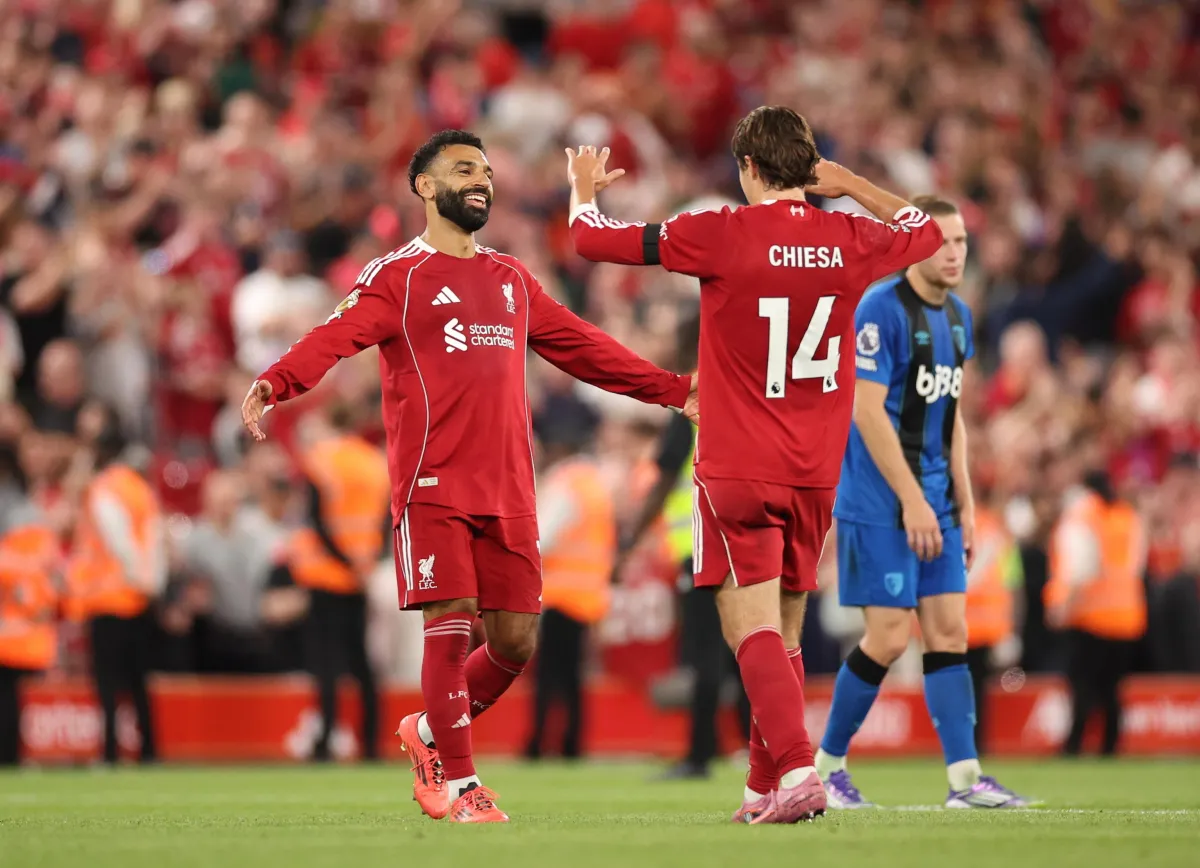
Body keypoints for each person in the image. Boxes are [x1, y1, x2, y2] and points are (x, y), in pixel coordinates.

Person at [241, 129, 698, 823]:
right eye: (463, 170)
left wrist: (671, 388)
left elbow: (583, 347)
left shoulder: (511, 278)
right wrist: (277, 380)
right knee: (450, 619)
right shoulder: (398, 276)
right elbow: (334, 336)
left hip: (509, 486)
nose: (480, 180)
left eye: (485, 171)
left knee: (514, 642)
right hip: (434, 482)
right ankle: (460, 784)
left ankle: (428, 731)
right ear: (425, 187)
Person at [566, 105, 944, 824]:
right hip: (815, 470)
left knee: (749, 630)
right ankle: (759, 789)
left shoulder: (720, 231)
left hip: (739, 462)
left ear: (748, 167)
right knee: (786, 633)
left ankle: (798, 772)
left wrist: (584, 188)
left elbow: (591, 239)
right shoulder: (849, 237)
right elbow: (923, 231)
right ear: (808, 166)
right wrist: (850, 184)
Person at [814, 196, 1030, 808]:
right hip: (880, 499)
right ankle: (825, 768)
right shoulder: (879, 309)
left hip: (935, 500)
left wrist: (964, 503)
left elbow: (950, 416)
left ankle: (965, 780)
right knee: (887, 638)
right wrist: (912, 501)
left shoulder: (958, 316)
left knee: (950, 632)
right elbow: (866, 411)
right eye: (942, 241)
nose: (954, 253)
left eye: (961, 242)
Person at [617, 315, 751, 780]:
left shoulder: (694, 399)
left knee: (705, 653)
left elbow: (664, 480)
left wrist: (628, 544)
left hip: (699, 544)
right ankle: (759, 748)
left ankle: (699, 755)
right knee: (746, 645)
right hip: (742, 539)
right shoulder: (743, 393)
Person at [288, 404, 391, 761]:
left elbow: (317, 520)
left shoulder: (320, 461)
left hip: (327, 576)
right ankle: (372, 742)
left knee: (326, 665)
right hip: (361, 576)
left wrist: (345, 562)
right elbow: (387, 519)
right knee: (362, 663)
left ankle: (326, 740)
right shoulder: (375, 463)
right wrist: (366, 564)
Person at [65, 420, 164, 764]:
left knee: (107, 683)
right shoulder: (141, 489)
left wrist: (134, 576)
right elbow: (153, 539)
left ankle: (109, 752)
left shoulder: (105, 487)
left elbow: (117, 540)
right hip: (140, 599)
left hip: (108, 598)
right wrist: (151, 584)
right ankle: (149, 750)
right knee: (139, 681)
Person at [523, 430, 615, 761]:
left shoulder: (564, 484)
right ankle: (572, 743)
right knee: (573, 675)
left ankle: (538, 743)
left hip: (560, 594)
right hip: (588, 594)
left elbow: (542, 537)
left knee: (547, 676)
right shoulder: (595, 485)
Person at [1045, 464, 1147, 756]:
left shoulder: (1083, 515)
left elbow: (1080, 568)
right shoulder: (1128, 516)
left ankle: (1075, 744)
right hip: (1126, 616)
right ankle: (1110, 745)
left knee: (1082, 685)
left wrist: (1063, 606)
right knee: (1111, 687)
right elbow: (1137, 564)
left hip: (1090, 615)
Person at [0, 446, 60, 766]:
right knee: (9, 694)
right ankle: (10, 756)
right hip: (21, 622)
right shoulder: (29, 514)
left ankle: (8, 756)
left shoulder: (16, 514)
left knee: (7, 694)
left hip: (12, 623)